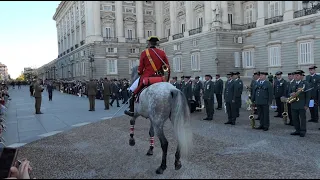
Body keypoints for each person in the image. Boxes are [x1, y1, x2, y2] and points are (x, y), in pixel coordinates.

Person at [124, 36, 170, 117]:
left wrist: (140, 72)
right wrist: (166, 79)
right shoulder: (162, 53)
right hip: (160, 78)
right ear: (156, 43)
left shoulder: (144, 53)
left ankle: (131, 111)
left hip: (147, 77)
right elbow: (167, 67)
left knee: (134, 92)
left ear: (149, 43)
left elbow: (140, 69)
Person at [290, 70, 310, 137]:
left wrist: (307, 104)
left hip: (302, 104)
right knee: (295, 118)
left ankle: (303, 131)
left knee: (302, 118)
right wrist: (291, 94)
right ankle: (297, 130)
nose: (296, 76)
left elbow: (308, 95)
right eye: (295, 75)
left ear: (301, 76)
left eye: (297, 75)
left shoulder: (305, 84)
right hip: (294, 104)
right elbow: (288, 92)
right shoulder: (292, 83)